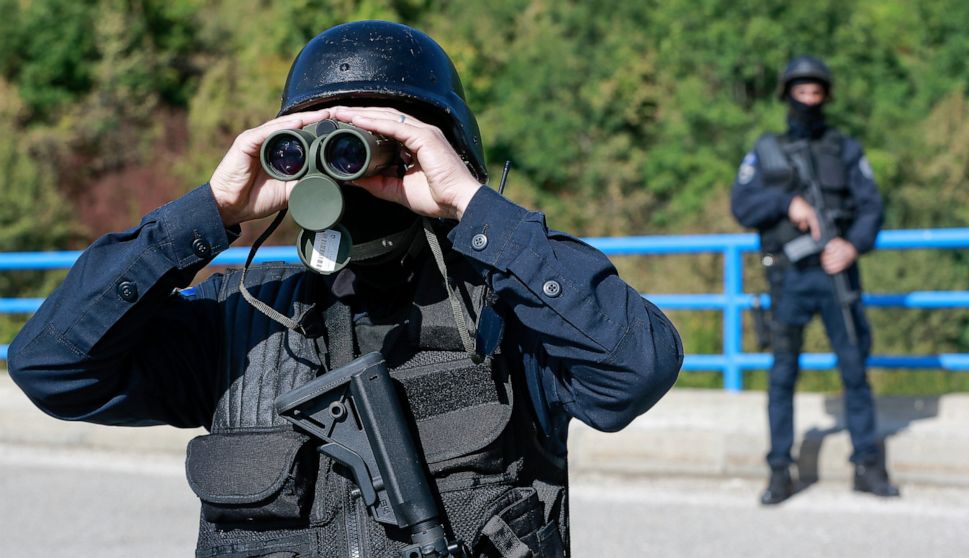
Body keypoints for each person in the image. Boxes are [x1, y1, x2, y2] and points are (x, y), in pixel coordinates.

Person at [7, 20, 683, 557]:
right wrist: (208, 213)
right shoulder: (237, 320)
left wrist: (476, 210)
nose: (350, 166)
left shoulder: (506, 312)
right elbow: (52, 368)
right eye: (327, 137)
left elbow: (635, 367)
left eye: (378, 138)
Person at [730, 55, 898, 505]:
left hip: (836, 274)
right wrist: (788, 205)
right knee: (783, 374)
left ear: (826, 96)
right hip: (788, 277)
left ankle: (867, 464)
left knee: (855, 370)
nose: (808, 100)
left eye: (815, 92)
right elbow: (742, 205)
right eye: (800, 92)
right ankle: (779, 470)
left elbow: (871, 208)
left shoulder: (845, 148)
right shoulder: (767, 149)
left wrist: (852, 245)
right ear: (787, 95)